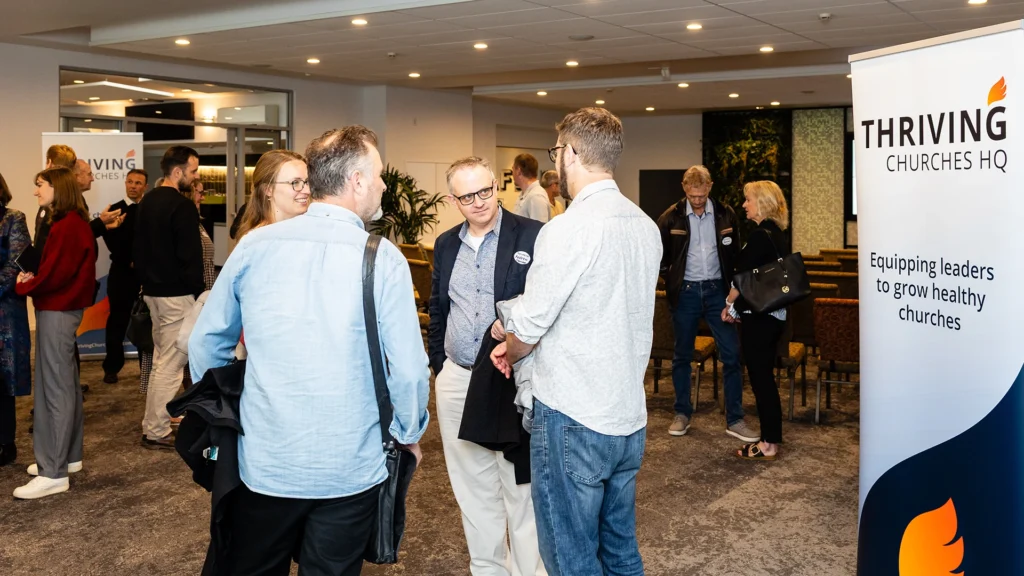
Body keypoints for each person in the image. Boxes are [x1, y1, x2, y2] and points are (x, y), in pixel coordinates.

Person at [189, 126, 429, 575]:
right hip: (350, 466)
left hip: (264, 462)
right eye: (378, 175)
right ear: (357, 180)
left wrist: (228, 413)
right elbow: (410, 370)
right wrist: (408, 432)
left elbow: (206, 343)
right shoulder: (382, 258)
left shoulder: (254, 246)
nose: (382, 185)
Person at [490, 107, 660, 575]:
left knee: (570, 559)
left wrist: (509, 347)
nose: (556, 161)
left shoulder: (568, 228)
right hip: (627, 416)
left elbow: (529, 327)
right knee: (621, 552)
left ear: (573, 153)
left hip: (573, 415)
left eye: (557, 151)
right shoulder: (646, 226)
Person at [428, 156, 546, 576]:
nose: (478, 202)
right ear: (452, 200)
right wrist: (441, 365)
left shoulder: (532, 235)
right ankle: (488, 569)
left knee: (520, 486)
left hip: (512, 378)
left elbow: (547, 304)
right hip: (458, 378)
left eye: (485, 191)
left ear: (497, 186)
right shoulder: (446, 244)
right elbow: (438, 308)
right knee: (473, 488)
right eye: (467, 196)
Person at [655, 165, 759, 443]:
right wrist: (671, 280)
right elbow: (659, 257)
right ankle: (682, 413)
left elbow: (735, 255)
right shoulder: (670, 217)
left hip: (717, 292)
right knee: (682, 356)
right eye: (692, 196)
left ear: (710, 187)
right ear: (684, 188)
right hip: (686, 293)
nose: (697, 201)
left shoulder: (726, 214)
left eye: (701, 195)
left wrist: (734, 290)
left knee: (731, 355)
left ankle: (735, 419)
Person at [13, 167, 97, 499]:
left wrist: (25, 285)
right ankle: (68, 458)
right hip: (61, 310)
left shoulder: (67, 226)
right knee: (64, 384)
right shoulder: (70, 223)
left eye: (40, 185)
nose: (36, 191)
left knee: (55, 389)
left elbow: (55, 275)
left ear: (57, 188)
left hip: (58, 311)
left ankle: (54, 471)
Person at [134, 146, 204, 450]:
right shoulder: (182, 206)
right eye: (193, 171)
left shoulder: (146, 202)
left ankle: (154, 423)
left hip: (152, 294)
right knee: (171, 366)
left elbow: (137, 251)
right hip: (177, 296)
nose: (195, 176)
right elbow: (190, 257)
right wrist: (200, 294)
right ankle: (156, 430)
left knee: (162, 361)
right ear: (178, 172)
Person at [722, 181, 791, 461]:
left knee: (761, 380)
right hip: (772, 316)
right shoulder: (776, 233)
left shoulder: (761, 235)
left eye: (748, 199)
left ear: (762, 202)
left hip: (761, 319)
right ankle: (769, 439)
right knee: (764, 379)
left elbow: (741, 277)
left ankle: (768, 444)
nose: (744, 205)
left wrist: (729, 305)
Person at [101, 168, 147, 384]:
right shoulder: (115, 210)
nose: (133, 186)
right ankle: (111, 368)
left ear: (145, 187)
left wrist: (140, 261)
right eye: (130, 182)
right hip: (120, 274)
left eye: (138, 183)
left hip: (144, 276)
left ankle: (146, 368)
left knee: (145, 322)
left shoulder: (149, 209)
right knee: (117, 322)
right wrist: (128, 259)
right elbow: (110, 241)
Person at [0, 172, 31, 467]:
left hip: (4, 312)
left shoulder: (13, 218)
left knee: (2, 381)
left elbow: (16, 264)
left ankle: (5, 442)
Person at [233, 150, 309, 240]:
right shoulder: (259, 240)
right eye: (295, 182)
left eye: (307, 182)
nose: (308, 190)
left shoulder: (306, 232)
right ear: (268, 190)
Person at [510, 153, 549, 223]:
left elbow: (539, 228)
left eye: (513, 170)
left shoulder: (536, 196)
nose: (512, 174)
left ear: (518, 171)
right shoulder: (524, 195)